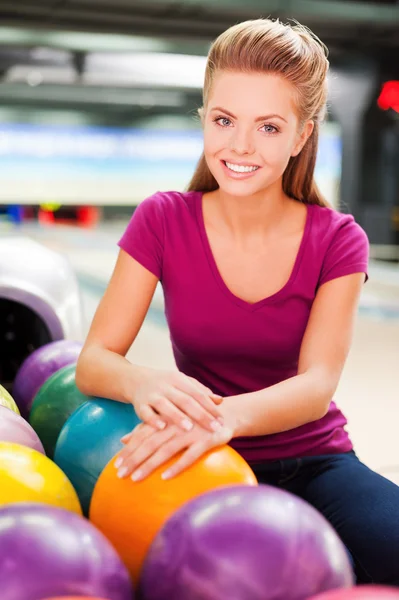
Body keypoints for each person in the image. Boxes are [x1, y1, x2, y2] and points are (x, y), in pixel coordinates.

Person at [75, 18, 399, 586]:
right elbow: (94, 360)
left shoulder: (338, 238)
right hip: (198, 465)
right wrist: (143, 383)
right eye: (224, 120)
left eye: (269, 127)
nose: (240, 146)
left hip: (314, 462)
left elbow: (317, 385)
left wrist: (222, 418)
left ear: (302, 136)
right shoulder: (164, 218)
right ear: (204, 119)